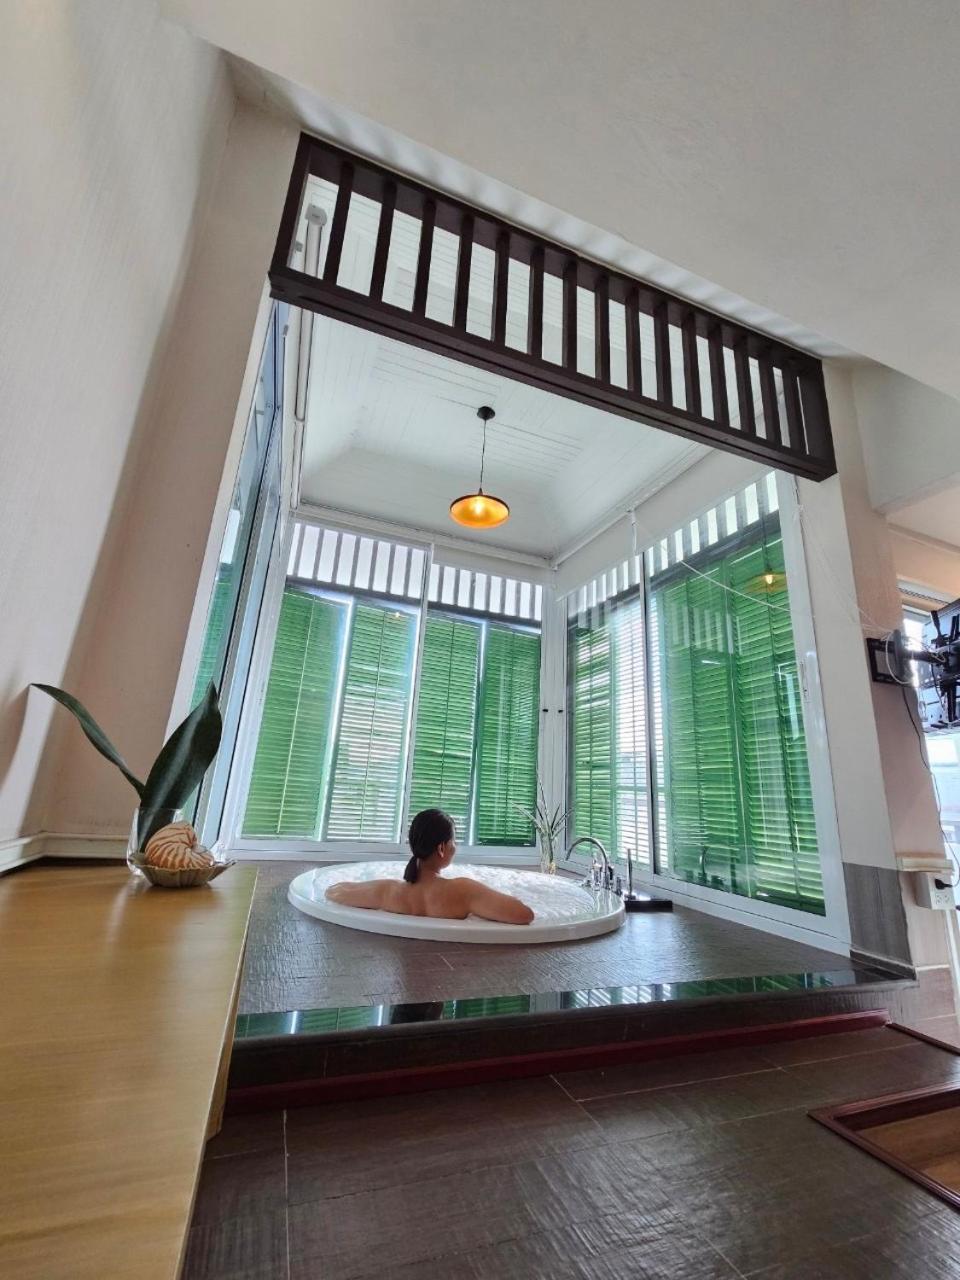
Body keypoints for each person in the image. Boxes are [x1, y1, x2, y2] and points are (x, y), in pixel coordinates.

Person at [325, 809, 534, 925]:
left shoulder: (389, 891)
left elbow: (336, 891)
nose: (455, 847)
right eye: (454, 841)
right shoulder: (463, 890)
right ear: (442, 848)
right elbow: (524, 914)